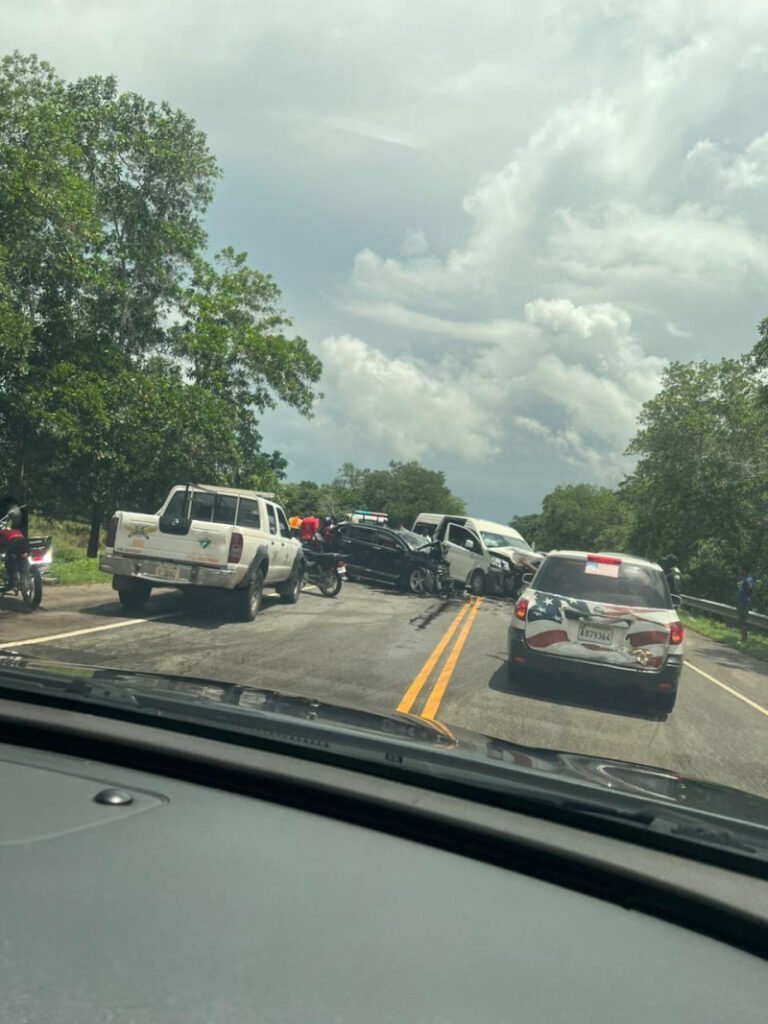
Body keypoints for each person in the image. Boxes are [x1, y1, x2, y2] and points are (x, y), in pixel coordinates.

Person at [736, 564, 754, 643]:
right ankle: (742, 638)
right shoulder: (745, 579)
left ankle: (743, 639)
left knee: (743, 620)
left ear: (744, 570)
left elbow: (750, 587)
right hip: (741, 602)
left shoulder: (748, 579)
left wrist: (748, 597)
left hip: (744, 602)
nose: (739, 571)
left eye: (741, 569)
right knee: (742, 620)